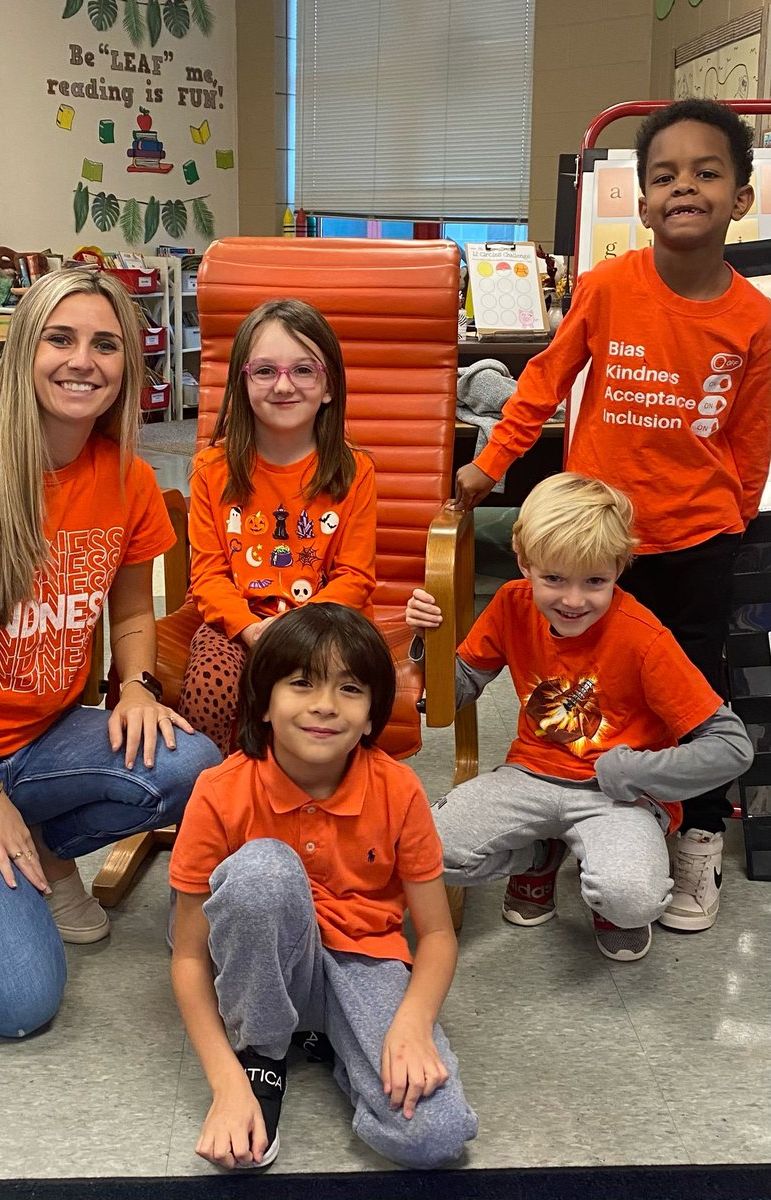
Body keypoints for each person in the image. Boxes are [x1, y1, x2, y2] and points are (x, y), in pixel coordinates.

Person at [0, 269, 220, 1038]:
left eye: (105, 345)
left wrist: (136, 687)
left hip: (40, 741)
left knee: (191, 763)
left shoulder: (127, 478)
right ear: (25, 350)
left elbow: (132, 609)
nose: (82, 361)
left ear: (127, 366)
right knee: (20, 1002)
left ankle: (20, 841)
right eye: (61, 339)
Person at [454, 99, 771, 933]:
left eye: (707, 173)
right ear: (643, 203)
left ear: (741, 198)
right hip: (593, 541)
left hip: (695, 542)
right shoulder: (606, 287)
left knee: (691, 692)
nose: (684, 187)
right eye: (665, 176)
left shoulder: (754, 319)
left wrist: (733, 520)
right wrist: (491, 464)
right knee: (582, 679)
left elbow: (751, 436)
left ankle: (697, 832)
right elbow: (543, 383)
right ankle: (556, 810)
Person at [169, 602, 477, 1171]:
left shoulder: (400, 789)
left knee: (436, 1136)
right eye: (302, 683)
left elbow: (436, 934)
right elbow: (188, 957)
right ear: (263, 703)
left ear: (371, 716)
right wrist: (225, 1081)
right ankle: (262, 1055)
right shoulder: (218, 790)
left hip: (365, 960)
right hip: (262, 966)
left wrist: (412, 1022)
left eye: (350, 689)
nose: (325, 705)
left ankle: (325, 1039)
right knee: (263, 870)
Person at [406, 474, 753, 962]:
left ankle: (606, 891)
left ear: (619, 569)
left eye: (594, 581)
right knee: (418, 848)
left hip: (617, 795)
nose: (572, 600)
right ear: (524, 562)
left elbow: (732, 746)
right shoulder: (510, 604)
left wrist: (632, 771)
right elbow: (457, 691)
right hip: (529, 775)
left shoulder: (644, 637)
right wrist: (430, 644)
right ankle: (540, 854)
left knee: (631, 898)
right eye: (553, 579)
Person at [178, 298, 377, 756]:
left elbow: (354, 577)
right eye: (265, 371)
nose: (283, 385)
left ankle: (319, 789)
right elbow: (207, 577)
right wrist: (251, 630)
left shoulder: (355, 471)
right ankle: (218, 786)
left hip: (326, 624)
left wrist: (293, 631)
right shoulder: (211, 469)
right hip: (238, 624)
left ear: (328, 387)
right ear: (242, 382)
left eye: (303, 370)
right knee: (210, 684)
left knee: (333, 696)